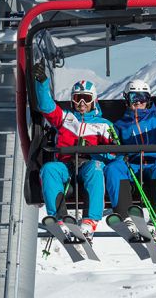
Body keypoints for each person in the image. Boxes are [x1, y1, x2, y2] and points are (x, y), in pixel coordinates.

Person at [105, 52, 156, 229]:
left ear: (148, 100)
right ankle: (125, 215)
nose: (138, 102)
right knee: (113, 168)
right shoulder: (120, 124)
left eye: (142, 98)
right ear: (127, 99)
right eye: (134, 98)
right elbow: (115, 150)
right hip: (132, 165)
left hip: (155, 162)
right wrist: (119, 156)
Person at [34, 63, 116, 239]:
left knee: (95, 168)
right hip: (66, 165)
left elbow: (114, 152)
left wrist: (94, 151)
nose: (81, 103)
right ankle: (59, 218)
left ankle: (89, 221)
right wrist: (41, 83)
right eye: (78, 98)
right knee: (49, 169)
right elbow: (47, 107)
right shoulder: (65, 118)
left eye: (86, 98)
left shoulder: (104, 124)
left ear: (93, 100)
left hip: (89, 164)